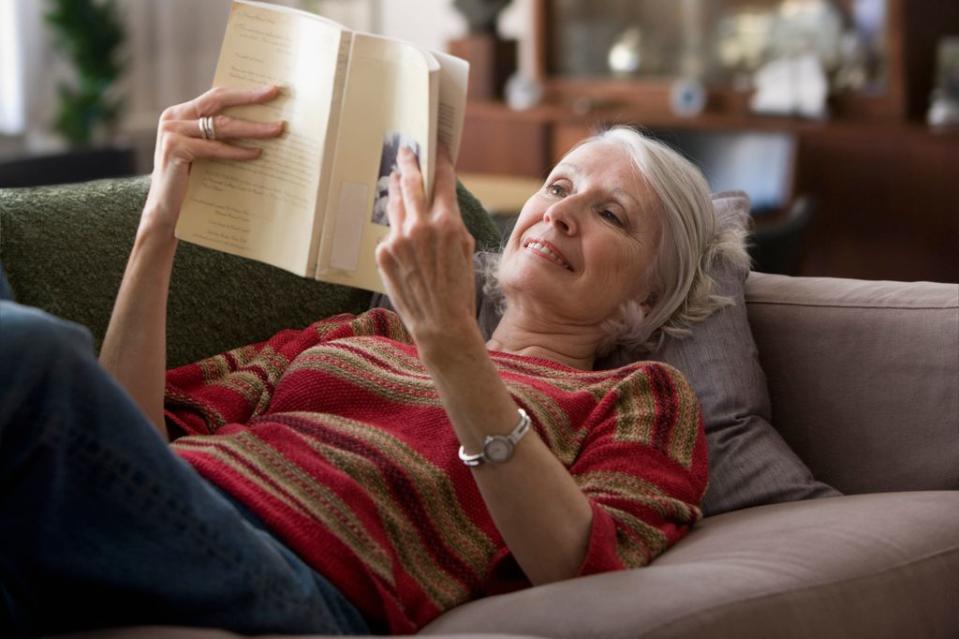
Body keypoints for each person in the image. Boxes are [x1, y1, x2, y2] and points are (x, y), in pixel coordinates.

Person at [0, 84, 733, 637]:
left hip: (303, 583)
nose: (560, 213)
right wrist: (158, 222)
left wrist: (449, 340)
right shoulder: (367, 329)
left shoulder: (643, 395)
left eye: (611, 214)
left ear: (653, 291)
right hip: (150, 514)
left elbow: (587, 569)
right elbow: (133, 439)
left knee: (29, 353)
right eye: (558, 186)